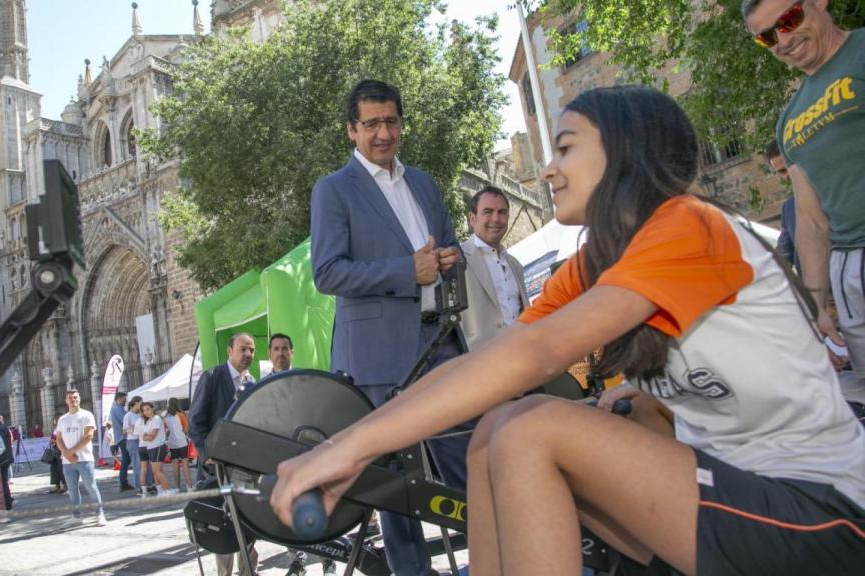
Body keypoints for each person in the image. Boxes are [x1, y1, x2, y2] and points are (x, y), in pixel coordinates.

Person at [271, 85, 865, 575]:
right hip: (729, 492)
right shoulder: (596, 261)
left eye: (565, 148)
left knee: (534, 431)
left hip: (820, 509)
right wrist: (342, 445)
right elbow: (493, 359)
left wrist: (352, 447)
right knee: (499, 425)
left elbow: (538, 352)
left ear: (625, 153)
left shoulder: (687, 226)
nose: (548, 169)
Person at [310, 79, 464, 575]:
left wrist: (449, 257)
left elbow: (451, 244)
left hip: (441, 342)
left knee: (471, 460)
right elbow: (327, 272)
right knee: (397, 492)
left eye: (391, 121)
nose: (383, 132)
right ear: (351, 130)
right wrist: (407, 270)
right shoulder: (333, 190)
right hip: (376, 358)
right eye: (371, 123)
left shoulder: (422, 181)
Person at [744, 0, 865, 411]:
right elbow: (811, 221)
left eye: (789, 19)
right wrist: (815, 302)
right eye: (766, 37)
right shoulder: (789, 120)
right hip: (848, 272)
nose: (783, 39)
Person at [266, 333, 337, 576]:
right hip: (280, 458)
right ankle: (296, 562)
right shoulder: (262, 388)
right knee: (287, 508)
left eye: (285, 348)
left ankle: (329, 560)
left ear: (292, 352)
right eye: (276, 349)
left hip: (309, 455)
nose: (281, 353)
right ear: (270, 354)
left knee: (322, 503)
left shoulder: (305, 380)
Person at [189, 332, 259, 575]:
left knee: (249, 525)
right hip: (215, 468)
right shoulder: (212, 377)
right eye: (243, 349)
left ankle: (248, 571)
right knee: (223, 526)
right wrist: (206, 455)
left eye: (251, 350)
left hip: (244, 469)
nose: (248, 354)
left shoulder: (253, 384)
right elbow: (195, 422)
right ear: (229, 351)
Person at [459, 186, 528, 351]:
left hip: (522, 357)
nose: (496, 219)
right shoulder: (457, 259)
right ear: (472, 218)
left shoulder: (515, 265)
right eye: (488, 212)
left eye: (502, 212)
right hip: (479, 364)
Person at [55, 389, 107, 526]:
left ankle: (99, 514)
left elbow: (88, 436)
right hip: (67, 461)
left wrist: (71, 451)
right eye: (70, 398)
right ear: (66, 401)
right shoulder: (62, 419)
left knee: (91, 486)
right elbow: (58, 438)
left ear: (79, 398)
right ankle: (76, 516)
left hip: (84, 458)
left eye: (75, 397)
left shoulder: (86, 415)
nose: (73, 400)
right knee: (72, 490)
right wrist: (66, 453)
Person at [767, 140, 798, 270]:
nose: (787, 176)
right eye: (781, 172)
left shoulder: (834, 193)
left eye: (788, 167)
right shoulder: (789, 208)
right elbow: (783, 257)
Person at [138, 401, 172, 497]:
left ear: (152, 408)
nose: (146, 412)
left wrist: (146, 437)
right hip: (151, 447)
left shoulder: (156, 419)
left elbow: (151, 436)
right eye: (144, 410)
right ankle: (160, 491)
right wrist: (146, 437)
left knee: (158, 471)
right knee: (155, 471)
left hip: (158, 447)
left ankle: (167, 491)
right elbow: (144, 436)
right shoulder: (148, 421)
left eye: (148, 409)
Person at [165, 397, 193, 493]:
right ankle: (189, 487)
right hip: (182, 442)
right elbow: (186, 430)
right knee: (185, 465)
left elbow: (166, 431)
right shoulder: (181, 415)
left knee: (175, 466)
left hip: (172, 443)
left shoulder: (166, 416)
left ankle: (177, 488)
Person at [108, 391, 134, 492]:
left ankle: (123, 482)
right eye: (124, 399)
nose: (125, 401)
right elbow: (125, 421)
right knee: (126, 460)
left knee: (126, 460)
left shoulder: (118, 408)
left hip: (122, 437)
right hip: (123, 438)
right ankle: (123, 483)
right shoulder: (117, 409)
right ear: (119, 399)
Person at [123, 395, 145, 493]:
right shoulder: (128, 415)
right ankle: (139, 486)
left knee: (143, 464)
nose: (142, 405)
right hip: (133, 441)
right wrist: (133, 429)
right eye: (141, 403)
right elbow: (124, 430)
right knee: (137, 464)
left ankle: (145, 484)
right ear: (136, 403)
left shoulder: (139, 415)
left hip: (141, 441)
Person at [47, 417, 67, 493]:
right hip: (55, 450)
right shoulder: (56, 428)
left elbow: (62, 439)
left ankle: (65, 485)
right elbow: (53, 438)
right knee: (55, 468)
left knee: (62, 468)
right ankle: (57, 485)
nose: (54, 421)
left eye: (55, 420)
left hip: (60, 450)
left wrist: (55, 441)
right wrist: (52, 441)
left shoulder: (63, 428)